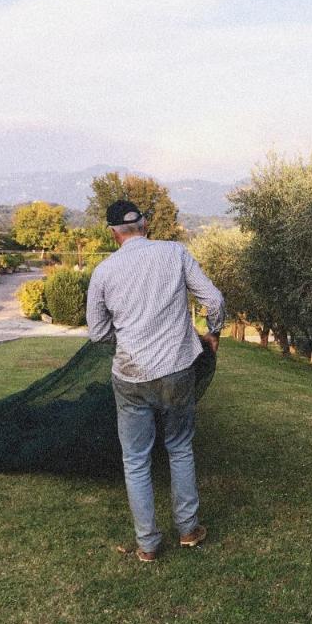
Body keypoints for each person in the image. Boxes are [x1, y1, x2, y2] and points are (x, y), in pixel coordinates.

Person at [85, 199, 225, 563]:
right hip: (178, 371)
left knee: (135, 460)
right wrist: (213, 333)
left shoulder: (103, 272)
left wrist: (129, 336)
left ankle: (147, 545)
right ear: (144, 224)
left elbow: (98, 334)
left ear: (113, 232)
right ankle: (189, 530)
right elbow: (214, 298)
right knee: (179, 447)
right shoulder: (174, 252)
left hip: (129, 377)